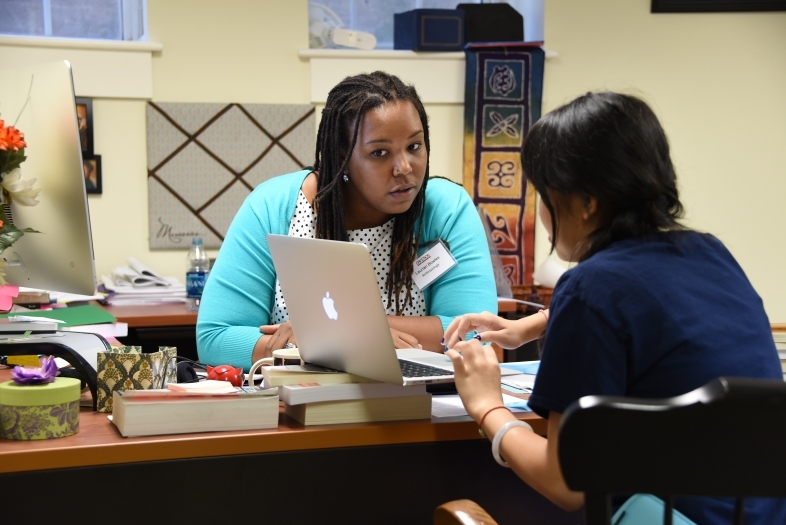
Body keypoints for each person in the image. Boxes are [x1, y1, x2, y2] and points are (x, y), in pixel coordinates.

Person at [442, 92, 785, 524]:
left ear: (587, 202)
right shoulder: (710, 253)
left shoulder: (590, 288)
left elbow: (564, 483)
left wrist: (487, 405)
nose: (543, 213)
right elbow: (660, 317)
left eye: (545, 194)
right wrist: (538, 323)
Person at [197, 71, 496, 371]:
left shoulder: (446, 208)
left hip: (424, 405)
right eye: (379, 152)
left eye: (414, 146)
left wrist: (348, 333)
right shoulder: (272, 207)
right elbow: (216, 337)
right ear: (343, 158)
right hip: (300, 404)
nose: (404, 167)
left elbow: (475, 333)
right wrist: (308, 341)